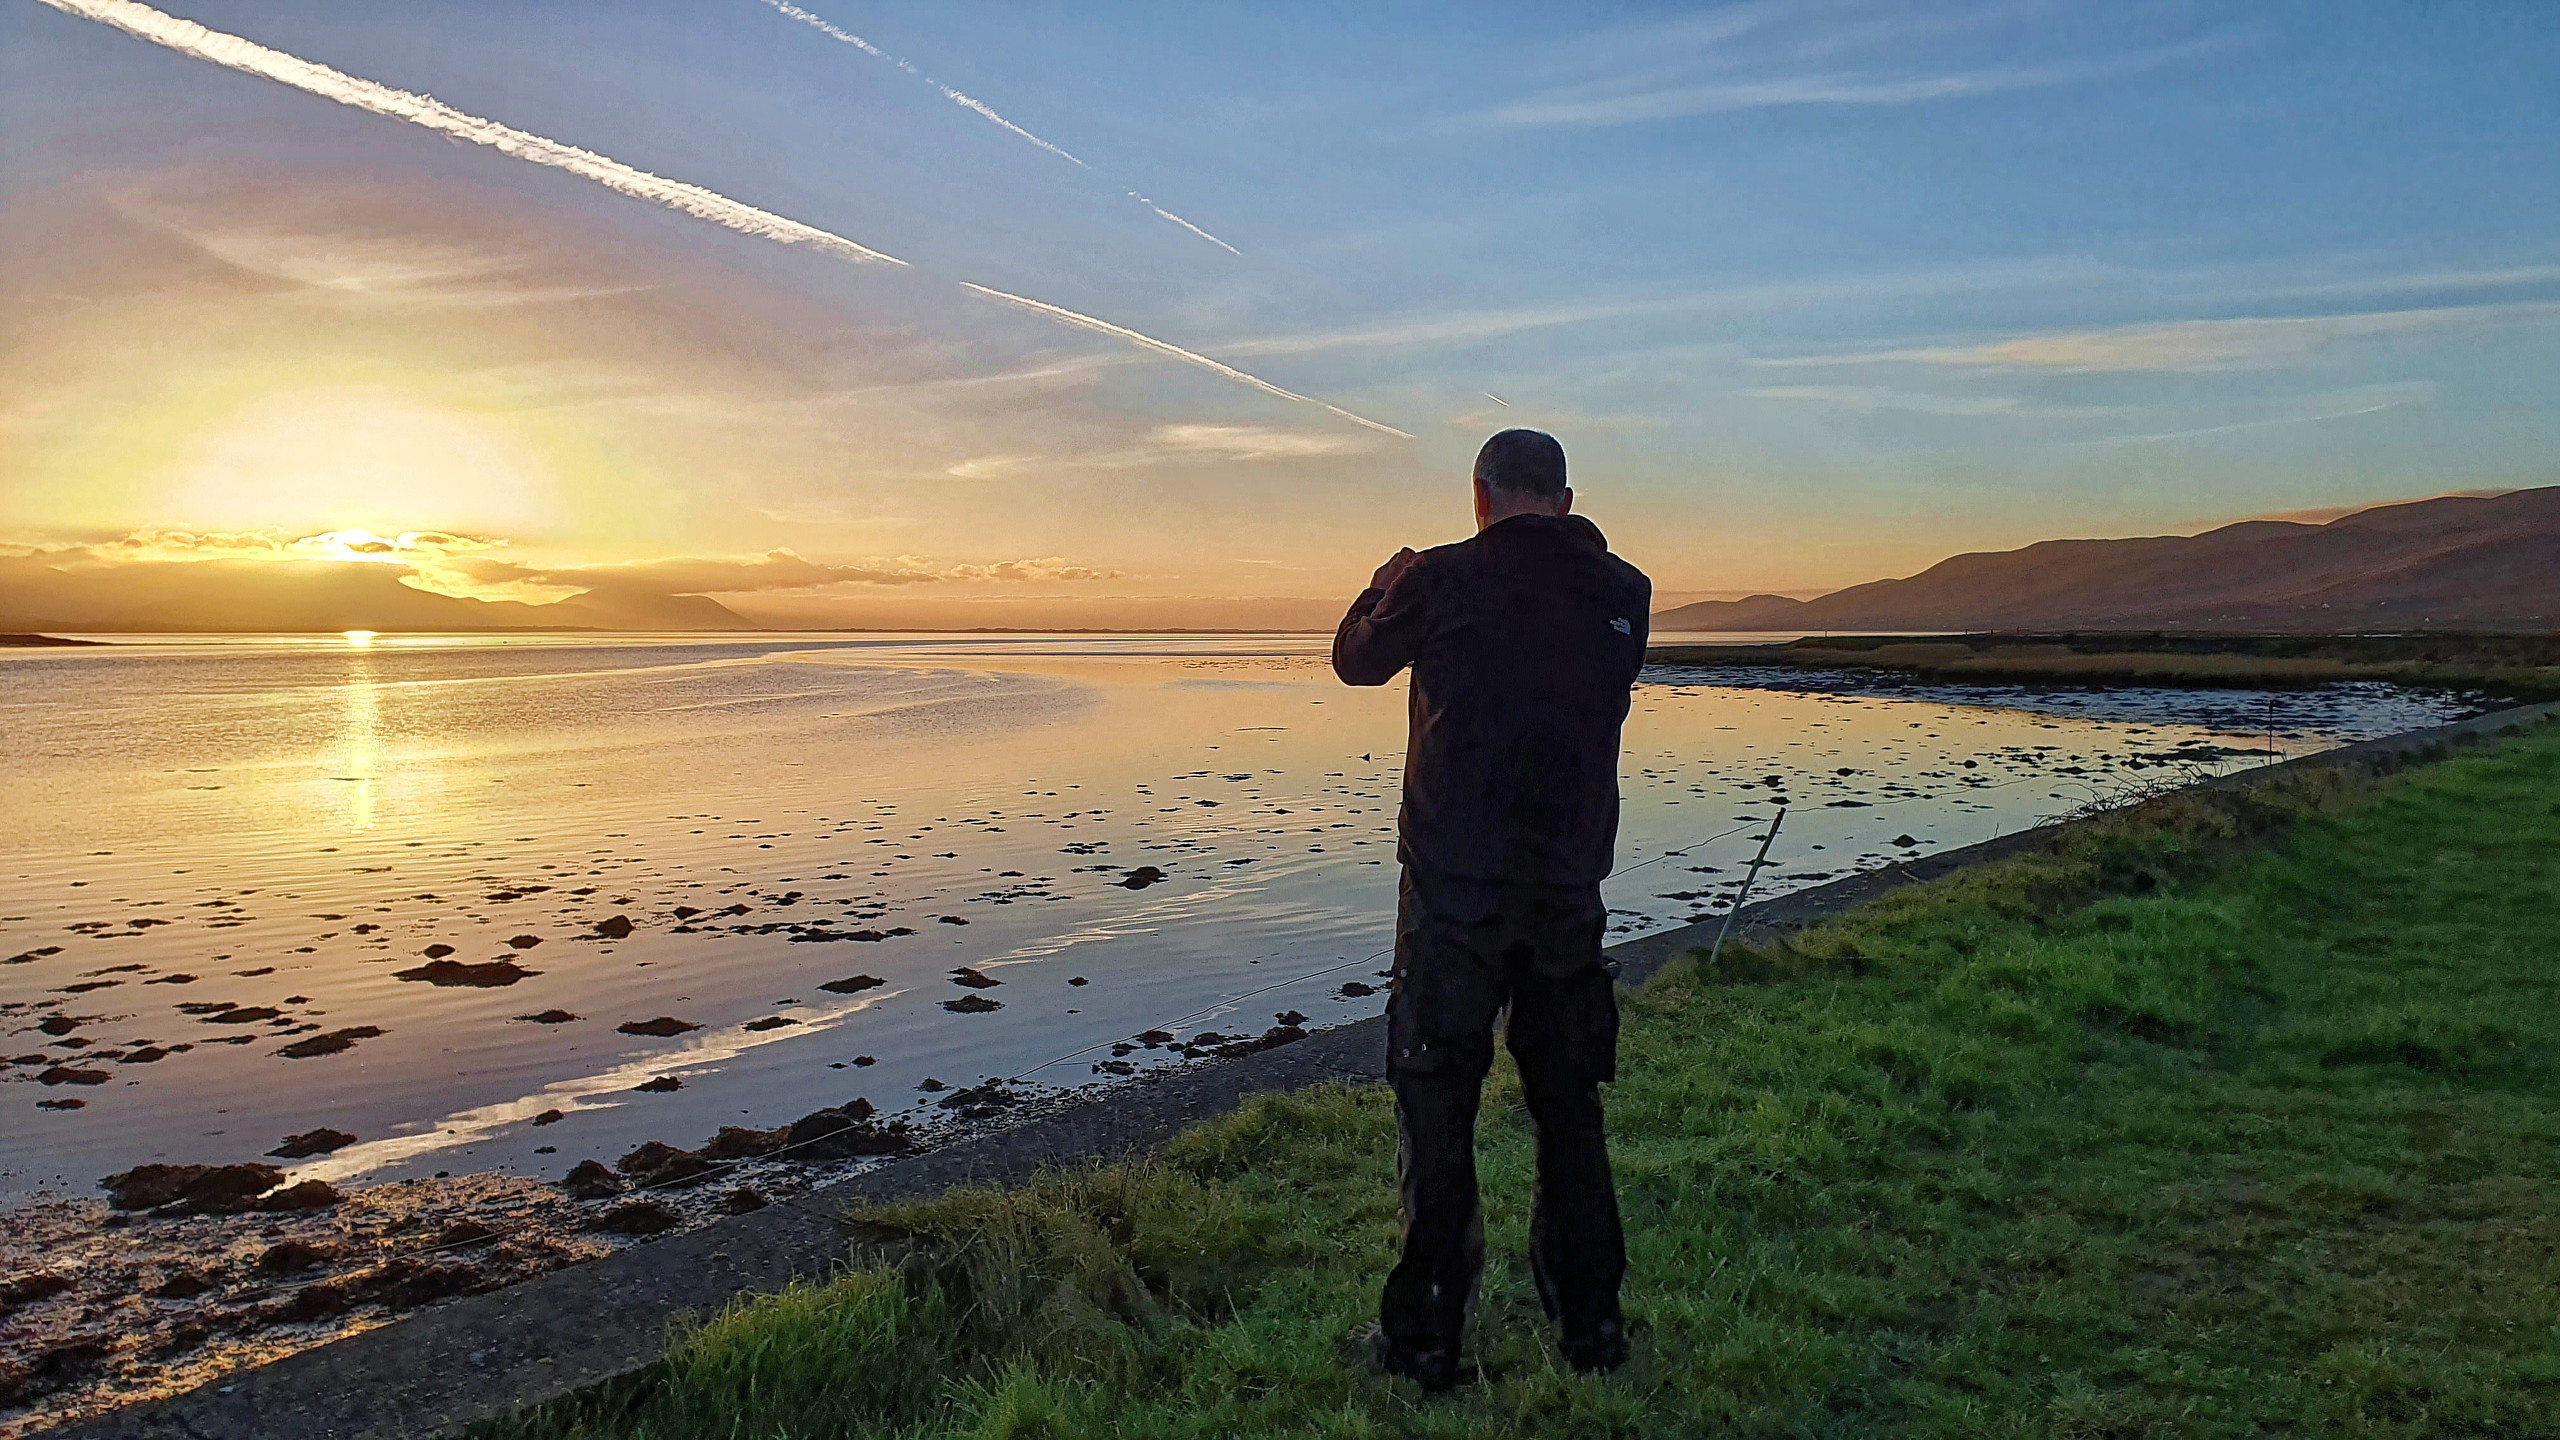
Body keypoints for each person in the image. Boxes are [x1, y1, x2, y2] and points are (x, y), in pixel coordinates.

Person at [1332, 428, 1652, 1391]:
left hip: (1451, 898)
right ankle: (1592, 1336)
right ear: (1562, 497)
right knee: (1569, 1108)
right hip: (1565, 892)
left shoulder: (1438, 578)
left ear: (1479, 495)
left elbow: (1354, 662)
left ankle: (1425, 1345)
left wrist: (1383, 581)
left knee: (1437, 1111)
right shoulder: (1622, 591)